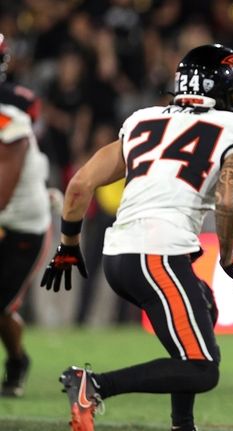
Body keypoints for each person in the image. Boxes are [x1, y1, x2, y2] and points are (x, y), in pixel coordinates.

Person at [39, 44, 233, 431]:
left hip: (120, 257)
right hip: (156, 256)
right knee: (202, 369)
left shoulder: (144, 120)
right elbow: (229, 200)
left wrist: (68, 246)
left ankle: (183, 424)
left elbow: (80, 184)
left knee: (204, 308)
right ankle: (93, 386)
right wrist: (228, 258)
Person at [0, 33, 49, 398]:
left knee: (0, 306)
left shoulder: (11, 108)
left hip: (21, 220)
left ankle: (17, 360)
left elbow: (8, 171)